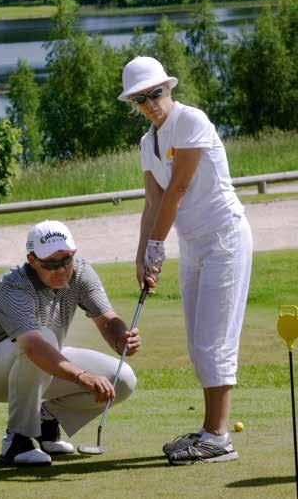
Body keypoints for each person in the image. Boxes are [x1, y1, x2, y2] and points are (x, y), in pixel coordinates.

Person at [118, 56, 252, 465]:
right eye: (141, 99)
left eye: (155, 93)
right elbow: (153, 201)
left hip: (225, 239)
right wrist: (143, 253)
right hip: (194, 246)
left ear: (168, 89)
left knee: (215, 342)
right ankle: (210, 431)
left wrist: (159, 246)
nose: (151, 103)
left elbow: (178, 188)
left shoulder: (192, 121)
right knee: (198, 345)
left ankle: (218, 438)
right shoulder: (148, 143)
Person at [0, 220, 139, 466]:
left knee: (122, 379)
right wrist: (81, 377)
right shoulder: (12, 286)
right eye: (50, 264)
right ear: (32, 260)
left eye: (66, 260)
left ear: (74, 254)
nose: (60, 270)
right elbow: (34, 347)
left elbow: (108, 320)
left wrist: (121, 337)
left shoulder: (81, 272)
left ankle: (46, 422)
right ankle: (17, 439)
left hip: (41, 361)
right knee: (42, 339)